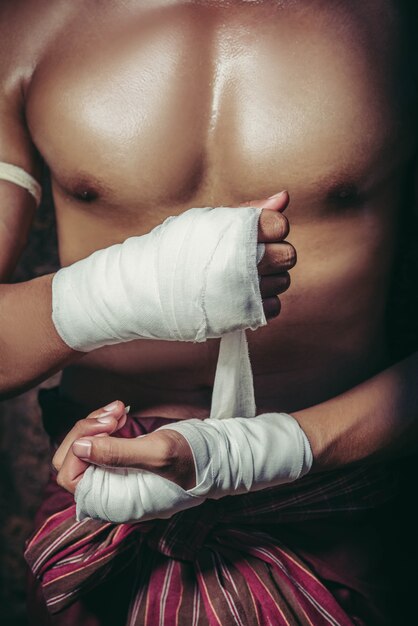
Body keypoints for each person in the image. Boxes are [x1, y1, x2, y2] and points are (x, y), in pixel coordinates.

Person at [1, 0, 417, 624]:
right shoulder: (25, 23)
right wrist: (128, 288)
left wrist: (264, 452)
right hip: (105, 513)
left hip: (335, 512)